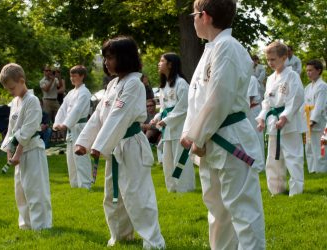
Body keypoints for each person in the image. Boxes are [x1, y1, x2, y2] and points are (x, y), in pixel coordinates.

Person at [180, 0, 265, 249]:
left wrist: (197, 136)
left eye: (194, 14)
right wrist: (191, 134)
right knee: (217, 211)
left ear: (204, 16)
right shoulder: (212, 48)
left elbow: (219, 99)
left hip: (229, 139)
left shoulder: (228, 47)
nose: (192, 19)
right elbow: (196, 99)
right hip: (209, 141)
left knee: (243, 212)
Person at [74, 36, 165, 249]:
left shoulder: (134, 83)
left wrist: (99, 146)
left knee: (137, 195)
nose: (106, 62)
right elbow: (99, 115)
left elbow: (119, 115)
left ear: (124, 58)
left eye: (110, 57)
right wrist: (84, 142)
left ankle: (153, 241)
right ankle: (121, 235)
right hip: (114, 146)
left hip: (131, 145)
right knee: (113, 196)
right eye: (105, 57)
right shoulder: (114, 84)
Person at [0, 63, 52, 230]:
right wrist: (9, 152)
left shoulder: (33, 101)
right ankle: (25, 224)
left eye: (12, 88)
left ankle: (41, 225)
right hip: (18, 153)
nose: (10, 91)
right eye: (8, 89)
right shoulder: (15, 101)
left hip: (32, 150)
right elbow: (11, 130)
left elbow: (27, 130)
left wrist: (17, 153)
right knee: (20, 191)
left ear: (22, 81)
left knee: (36, 189)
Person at [257, 41, 306, 197]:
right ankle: (276, 190)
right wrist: (262, 118)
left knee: (293, 157)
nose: (270, 63)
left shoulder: (292, 76)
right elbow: (266, 101)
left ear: (284, 57)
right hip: (273, 122)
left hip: (289, 123)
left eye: (273, 59)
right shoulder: (271, 79)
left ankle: (296, 191)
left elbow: (296, 97)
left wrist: (285, 116)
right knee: (273, 158)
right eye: (268, 59)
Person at [150, 52, 195, 193]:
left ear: (170, 64)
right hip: (168, 129)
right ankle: (172, 187)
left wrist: (166, 120)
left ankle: (185, 187)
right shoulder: (164, 86)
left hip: (179, 127)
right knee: (167, 160)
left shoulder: (181, 83)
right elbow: (164, 107)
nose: (159, 63)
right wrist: (157, 118)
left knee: (180, 158)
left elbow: (184, 107)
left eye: (161, 61)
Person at [53, 65, 93, 189]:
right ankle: (75, 184)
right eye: (71, 76)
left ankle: (85, 184)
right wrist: (57, 123)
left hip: (80, 127)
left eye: (75, 76)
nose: (72, 78)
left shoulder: (85, 92)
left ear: (82, 76)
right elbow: (63, 109)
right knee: (70, 157)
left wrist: (65, 124)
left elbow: (77, 110)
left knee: (81, 156)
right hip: (71, 128)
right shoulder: (70, 93)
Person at [304, 59, 327, 173]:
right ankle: (312, 170)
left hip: (319, 120)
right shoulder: (308, 87)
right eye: (307, 71)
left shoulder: (322, 86)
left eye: (311, 70)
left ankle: (321, 171)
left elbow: (319, 106)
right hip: (307, 117)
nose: (308, 73)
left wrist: (313, 120)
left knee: (320, 146)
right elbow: (303, 105)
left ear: (318, 70)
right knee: (309, 147)